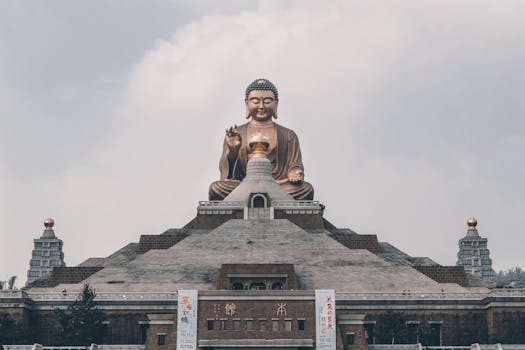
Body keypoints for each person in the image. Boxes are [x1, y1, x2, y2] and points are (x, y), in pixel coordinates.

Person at [209, 79, 314, 200]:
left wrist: (294, 172)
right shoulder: (236, 133)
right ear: (247, 103)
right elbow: (227, 174)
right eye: (255, 101)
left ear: (276, 104)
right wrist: (233, 151)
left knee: (306, 189)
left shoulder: (288, 135)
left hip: (279, 185)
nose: (261, 106)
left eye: (267, 101)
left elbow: (296, 164)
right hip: (243, 186)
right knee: (216, 188)